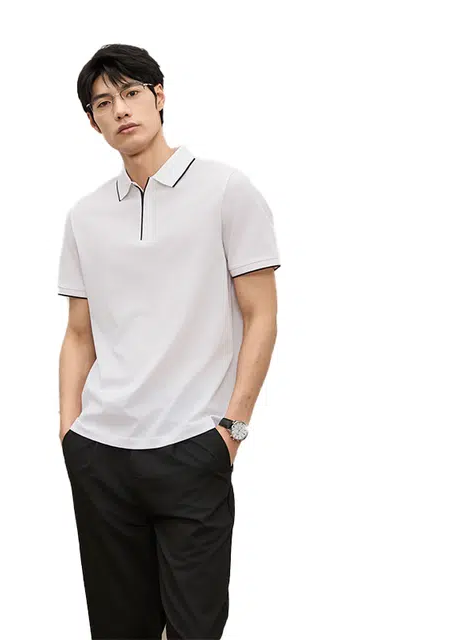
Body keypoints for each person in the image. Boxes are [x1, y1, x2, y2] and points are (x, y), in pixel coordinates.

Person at [57, 43, 281, 640]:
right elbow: (78, 333)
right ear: (93, 121)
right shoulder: (85, 216)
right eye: (103, 102)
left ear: (159, 96)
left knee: (195, 628)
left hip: (193, 446)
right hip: (101, 453)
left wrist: (233, 429)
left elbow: (261, 315)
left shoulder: (226, 190)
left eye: (131, 93)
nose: (120, 109)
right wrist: (69, 432)